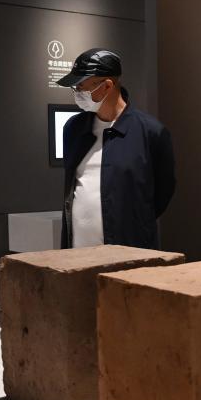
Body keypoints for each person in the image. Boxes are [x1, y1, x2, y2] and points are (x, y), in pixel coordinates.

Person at [55, 48, 175, 249]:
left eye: (81, 86)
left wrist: (133, 221)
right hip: (76, 255)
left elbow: (163, 193)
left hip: (129, 254)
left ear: (107, 86)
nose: (77, 93)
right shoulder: (73, 129)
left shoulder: (150, 132)